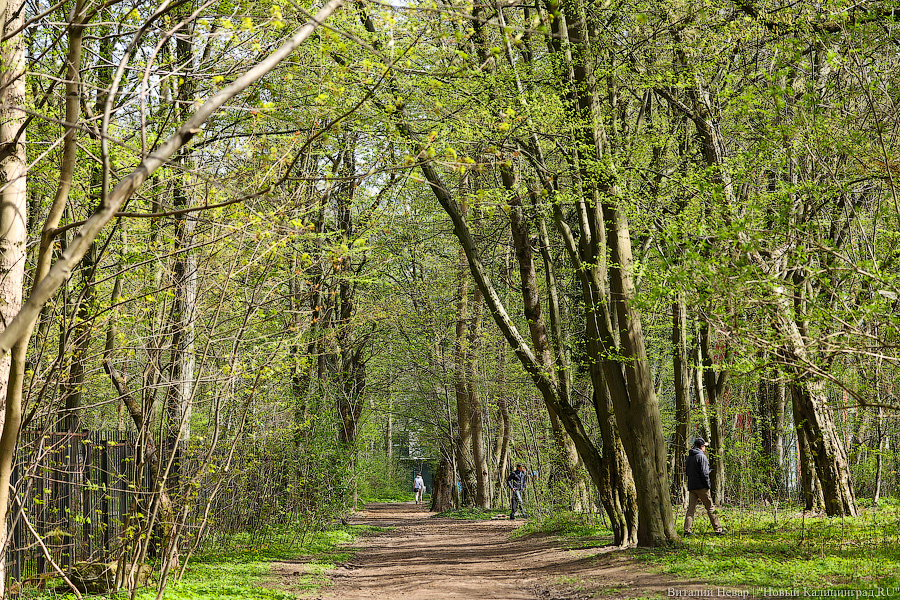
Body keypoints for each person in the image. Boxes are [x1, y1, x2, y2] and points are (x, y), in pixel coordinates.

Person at [684, 438, 725, 536]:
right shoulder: (702, 457)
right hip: (701, 487)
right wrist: (708, 485)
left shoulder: (689, 457)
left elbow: (687, 472)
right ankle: (718, 529)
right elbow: (704, 473)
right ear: (701, 446)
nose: (705, 448)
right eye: (704, 446)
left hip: (692, 486)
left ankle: (687, 530)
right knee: (710, 508)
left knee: (691, 510)